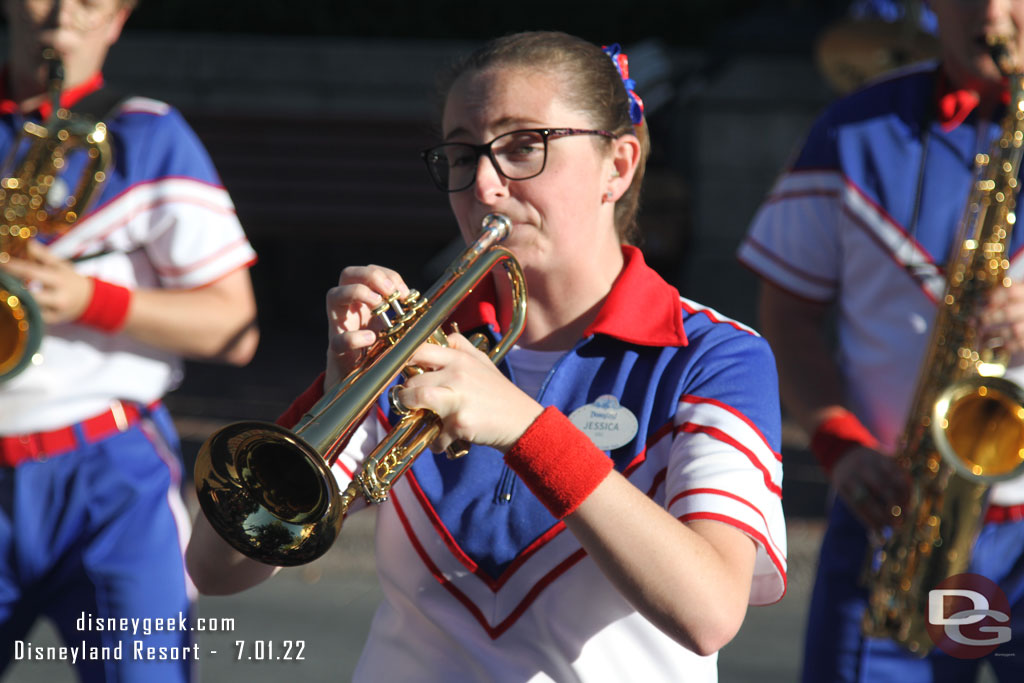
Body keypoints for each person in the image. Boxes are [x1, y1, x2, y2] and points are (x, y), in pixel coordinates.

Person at [187, 30, 785, 682]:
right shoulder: (418, 344)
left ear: (618, 165)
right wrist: (335, 397)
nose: (486, 189)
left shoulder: (712, 355)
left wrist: (527, 430)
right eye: (463, 156)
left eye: (524, 147)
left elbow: (710, 612)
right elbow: (217, 568)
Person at [738, 0, 1024, 680]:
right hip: (898, 514)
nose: (991, 13)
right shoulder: (852, 131)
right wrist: (837, 442)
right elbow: (786, 317)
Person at [0, 0, 258, 681]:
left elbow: (235, 327)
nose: (61, 15)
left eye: (89, 1)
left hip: (109, 476)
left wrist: (92, 300)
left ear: (117, 19)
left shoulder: (148, 132)